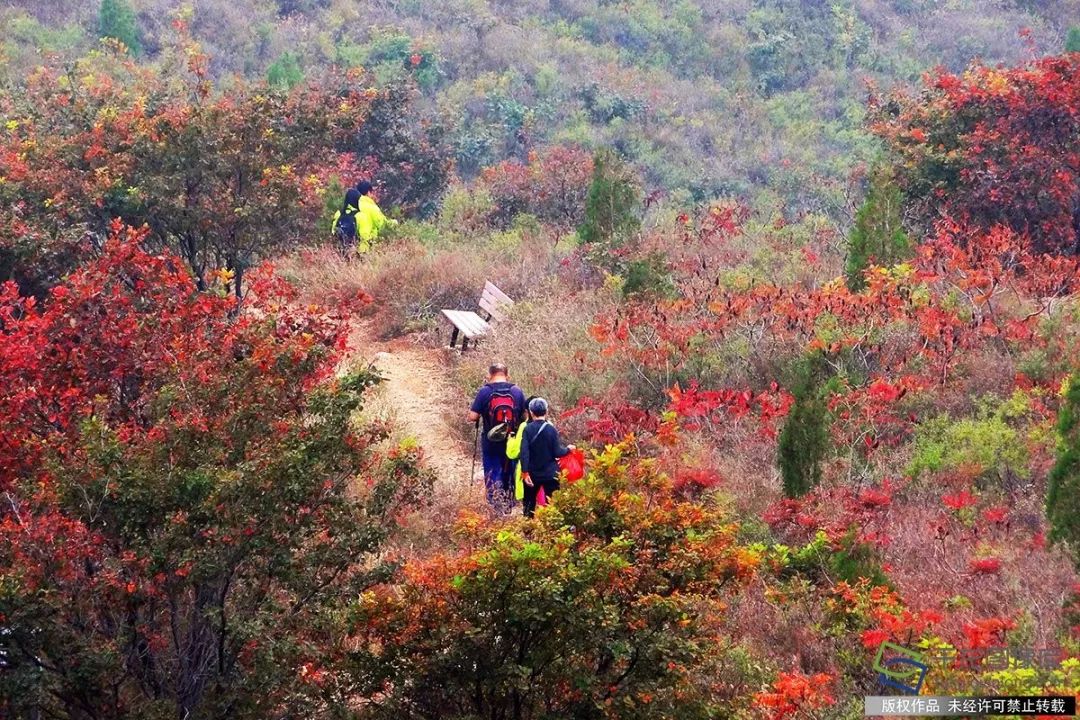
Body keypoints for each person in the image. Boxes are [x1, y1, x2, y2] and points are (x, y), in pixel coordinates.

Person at [468, 363, 526, 513]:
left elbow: (472, 417)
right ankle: (509, 502)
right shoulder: (516, 391)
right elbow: (525, 416)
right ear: (507, 375)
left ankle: (495, 504)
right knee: (509, 468)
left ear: (490, 375)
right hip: (511, 440)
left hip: (491, 439)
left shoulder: (484, 392)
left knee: (492, 469)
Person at [519, 397, 575, 518]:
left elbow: (524, 453)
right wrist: (568, 449)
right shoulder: (551, 429)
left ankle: (527, 532)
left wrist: (525, 472)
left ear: (531, 412)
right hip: (550, 474)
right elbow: (557, 452)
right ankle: (552, 531)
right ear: (546, 411)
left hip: (532, 474)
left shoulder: (527, 429)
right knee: (553, 505)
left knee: (529, 504)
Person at [331, 180, 397, 256]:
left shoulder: (339, 213)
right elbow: (370, 232)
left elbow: (334, 231)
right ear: (369, 192)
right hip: (361, 251)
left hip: (341, 251)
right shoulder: (364, 212)